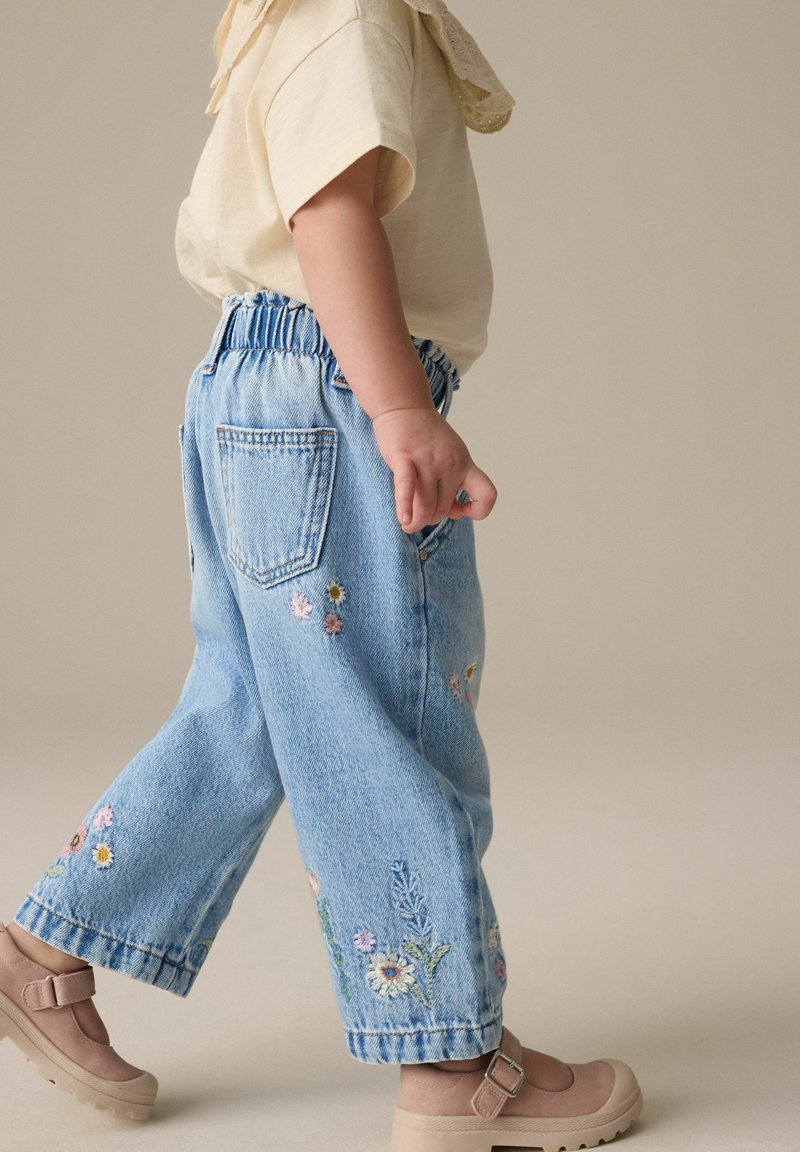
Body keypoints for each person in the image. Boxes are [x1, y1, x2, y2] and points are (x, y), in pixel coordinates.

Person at [0, 1, 643, 1148]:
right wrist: (398, 408)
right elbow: (327, 210)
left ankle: (42, 949)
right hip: (335, 391)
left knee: (252, 709)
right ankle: (448, 1060)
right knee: (388, 717)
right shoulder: (349, 13)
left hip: (263, 389)